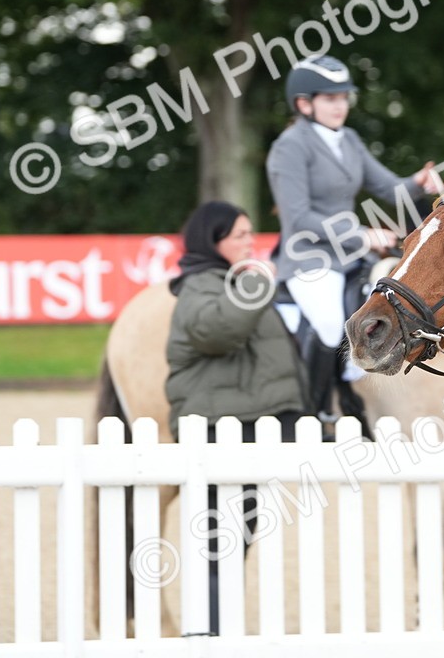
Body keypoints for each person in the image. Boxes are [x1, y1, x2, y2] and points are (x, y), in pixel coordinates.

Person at [266, 55, 440, 420]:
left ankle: (356, 398)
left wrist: (417, 183)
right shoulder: (289, 147)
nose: (340, 105)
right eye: (330, 99)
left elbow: (388, 187)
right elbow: (298, 217)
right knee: (331, 327)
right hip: (307, 259)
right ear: (304, 103)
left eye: (344, 97)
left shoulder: (349, 139)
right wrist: (360, 233)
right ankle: (314, 415)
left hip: (351, 257)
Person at [165, 200, 309, 634]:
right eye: (240, 235)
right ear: (214, 240)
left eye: (251, 233)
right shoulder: (200, 285)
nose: (250, 241)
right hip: (217, 428)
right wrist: (256, 285)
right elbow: (216, 331)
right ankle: (208, 634)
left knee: (235, 538)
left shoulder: (231, 279)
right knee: (217, 543)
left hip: (244, 424)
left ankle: (215, 632)